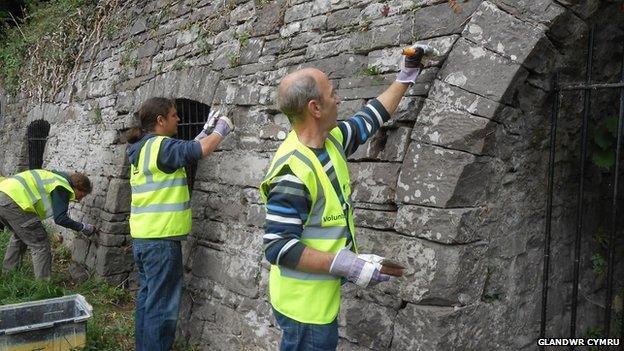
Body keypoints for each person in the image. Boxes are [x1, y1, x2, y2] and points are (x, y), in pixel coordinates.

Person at [260, 45, 428, 350]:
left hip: (317, 300)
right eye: (332, 93)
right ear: (315, 108)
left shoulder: (329, 141)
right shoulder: (293, 172)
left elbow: (370, 118)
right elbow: (278, 247)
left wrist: (407, 75)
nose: (339, 99)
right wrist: (348, 265)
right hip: (304, 309)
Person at [127, 97, 234, 351]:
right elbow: (200, 151)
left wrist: (205, 131)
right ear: (160, 120)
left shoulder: (143, 148)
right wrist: (222, 129)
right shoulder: (162, 147)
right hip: (161, 241)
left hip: (143, 239)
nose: (179, 119)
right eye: (174, 115)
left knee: (148, 300)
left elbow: (183, 151)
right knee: (162, 309)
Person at [0, 169, 95, 280]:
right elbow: (60, 218)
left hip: (4, 194)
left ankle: (9, 274)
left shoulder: (54, 176)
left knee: (20, 236)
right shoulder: (62, 186)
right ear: (78, 188)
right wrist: (83, 227)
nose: (80, 199)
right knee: (40, 243)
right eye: (82, 195)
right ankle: (43, 287)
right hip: (15, 202)